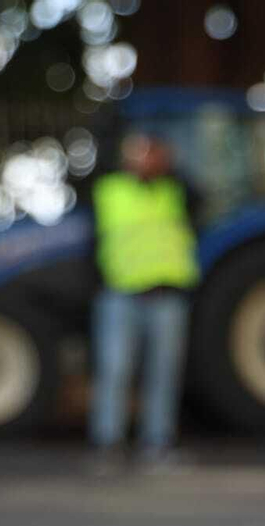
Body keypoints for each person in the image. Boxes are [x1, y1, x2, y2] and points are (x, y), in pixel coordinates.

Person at [89, 132, 200, 466]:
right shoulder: (110, 189)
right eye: (141, 153)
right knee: (115, 369)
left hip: (167, 295)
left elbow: (199, 196)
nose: (148, 160)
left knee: (163, 373)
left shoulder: (175, 191)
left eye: (154, 154)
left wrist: (169, 165)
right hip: (120, 295)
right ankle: (108, 444)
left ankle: (158, 443)